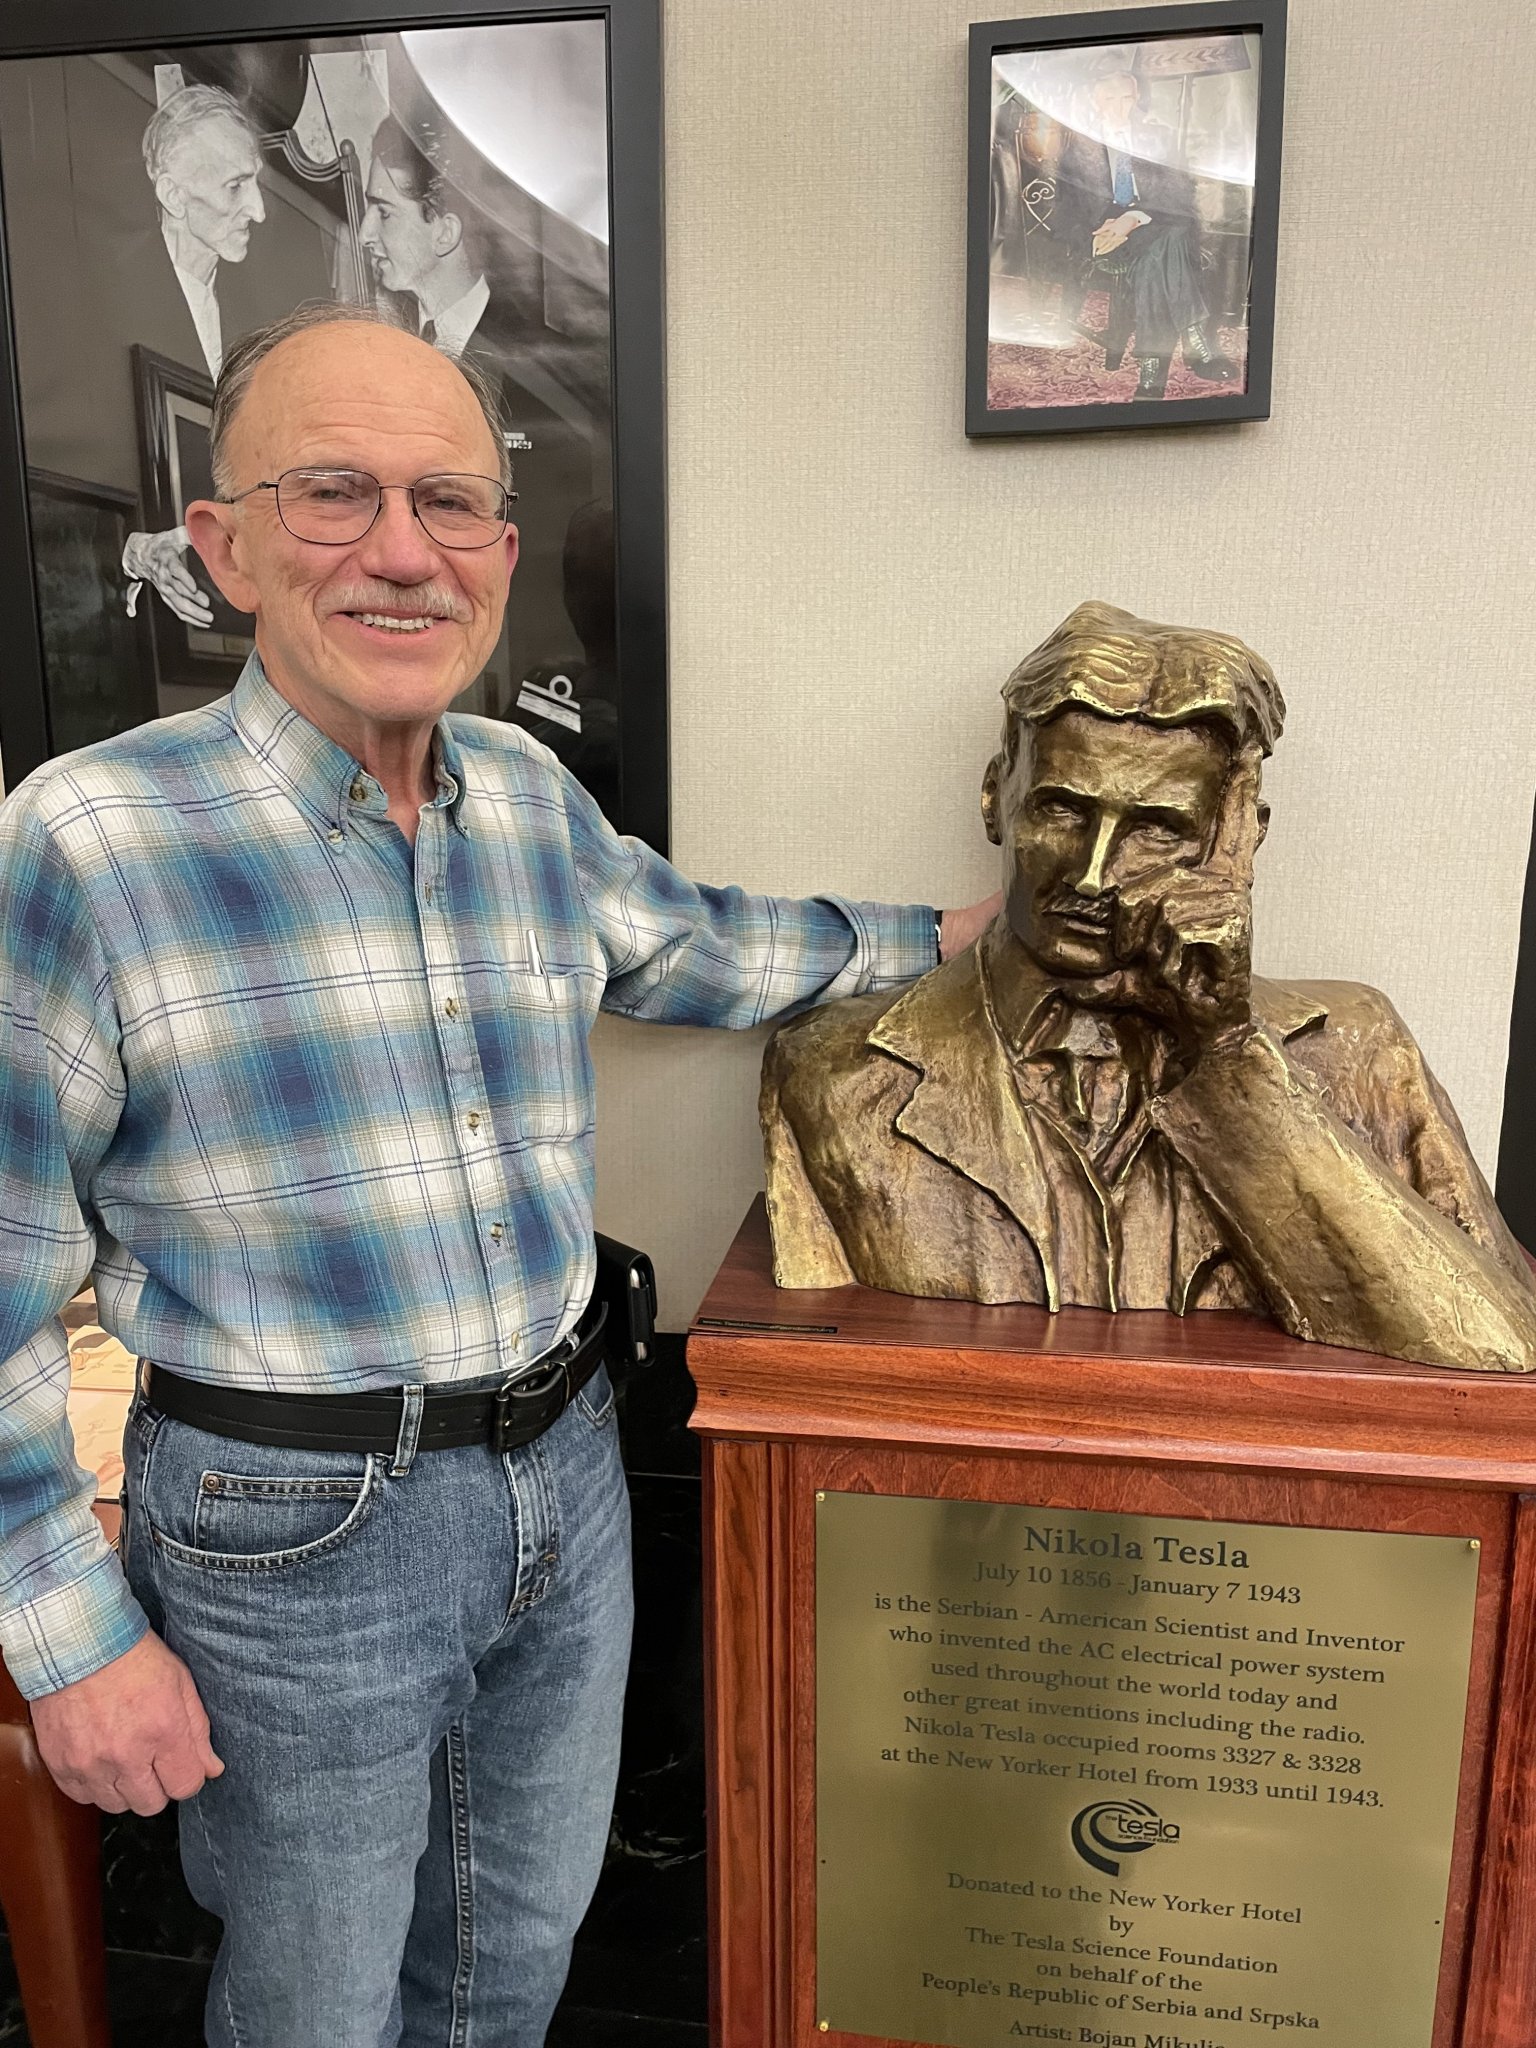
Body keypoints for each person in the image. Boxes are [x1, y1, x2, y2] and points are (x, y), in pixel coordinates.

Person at [0, 303, 998, 2047]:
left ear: (504, 555)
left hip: (568, 1474)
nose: (402, 551)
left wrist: (959, 941)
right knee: (314, 2008)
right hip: (290, 1535)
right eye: (336, 495)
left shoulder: (527, 799)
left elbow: (699, 946)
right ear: (227, 547)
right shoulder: (86, 840)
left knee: (511, 1966)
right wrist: (69, 1638)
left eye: (448, 504)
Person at [762, 600, 1536, 1374]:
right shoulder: (830, 1070)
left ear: (1235, 838)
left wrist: (1228, 1051)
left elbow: (1499, 1350)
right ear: (996, 794)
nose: (1094, 875)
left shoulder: (1361, 1048)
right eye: (1062, 809)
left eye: (1156, 828)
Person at [122, 83, 269, 632]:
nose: (257, 209)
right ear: (173, 195)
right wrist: (134, 551)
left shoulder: (263, 308)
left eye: (254, 181)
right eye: (236, 186)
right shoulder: (106, 292)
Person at [1051, 65, 1232, 399]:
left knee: (1166, 242)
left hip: (1154, 220)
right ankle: (1195, 339)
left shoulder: (1158, 139)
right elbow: (1066, 210)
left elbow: (1179, 197)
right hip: (1107, 233)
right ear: (1096, 102)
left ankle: (1152, 370)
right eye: (1110, 98)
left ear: (1136, 97)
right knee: (1170, 242)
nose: (1121, 106)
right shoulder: (1080, 148)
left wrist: (1134, 216)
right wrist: (1093, 236)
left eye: (1127, 97)